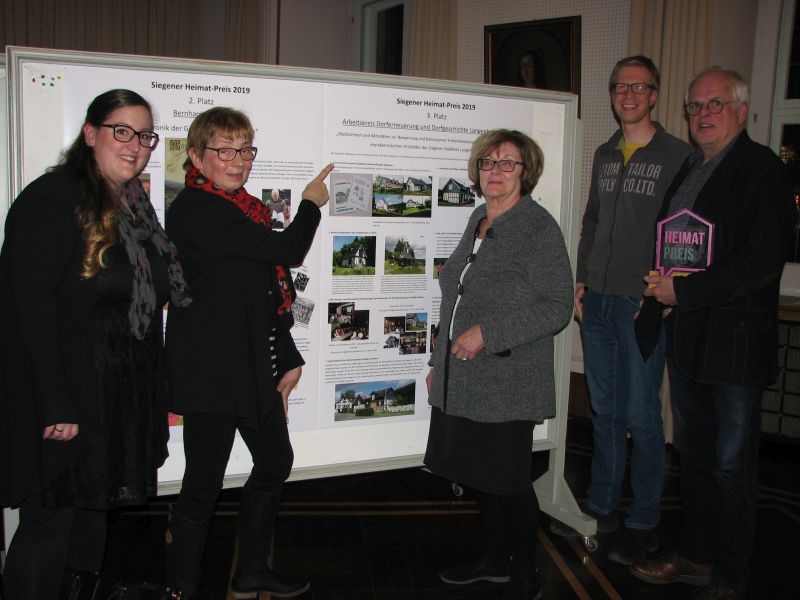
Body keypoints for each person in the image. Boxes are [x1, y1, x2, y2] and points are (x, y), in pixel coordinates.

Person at [0, 89, 190, 599]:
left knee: (91, 519)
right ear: (90, 134)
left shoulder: (132, 205)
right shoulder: (53, 199)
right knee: (49, 524)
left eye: (144, 136)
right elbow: (30, 311)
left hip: (115, 397)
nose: (135, 145)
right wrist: (56, 402)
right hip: (68, 396)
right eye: (121, 131)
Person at [631, 67, 795, 600]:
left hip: (734, 348)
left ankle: (730, 577)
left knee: (730, 468)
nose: (703, 114)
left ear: (741, 111)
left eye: (715, 104)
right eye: (695, 106)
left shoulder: (762, 169)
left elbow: (763, 259)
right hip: (689, 340)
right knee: (694, 459)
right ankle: (696, 557)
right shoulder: (690, 169)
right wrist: (657, 292)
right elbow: (675, 246)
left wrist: (684, 291)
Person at [164, 107, 332, 599]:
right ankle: (180, 589)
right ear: (197, 156)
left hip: (253, 367)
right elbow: (288, 250)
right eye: (224, 150)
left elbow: (262, 292)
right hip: (210, 374)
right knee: (202, 487)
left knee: (275, 461)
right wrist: (310, 203)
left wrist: (288, 354)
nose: (238, 160)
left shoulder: (243, 209)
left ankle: (252, 571)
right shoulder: (198, 210)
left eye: (244, 149)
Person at [551, 55, 692, 565]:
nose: (628, 95)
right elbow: (591, 220)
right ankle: (603, 503)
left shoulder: (677, 156)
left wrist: (661, 294)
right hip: (599, 300)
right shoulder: (606, 153)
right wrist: (581, 278)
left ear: (654, 95)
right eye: (619, 87)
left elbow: (684, 230)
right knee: (605, 408)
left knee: (641, 414)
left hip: (640, 302)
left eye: (638, 86)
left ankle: (644, 520)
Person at [424, 129, 573, 600]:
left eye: (508, 163)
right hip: (466, 378)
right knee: (479, 476)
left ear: (525, 173)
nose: (495, 171)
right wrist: (439, 364)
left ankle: (525, 572)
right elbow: (455, 297)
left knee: (508, 482)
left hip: (509, 381)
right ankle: (493, 559)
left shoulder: (538, 228)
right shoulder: (478, 219)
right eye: (488, 162)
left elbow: (558, 306)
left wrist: (488, 333)